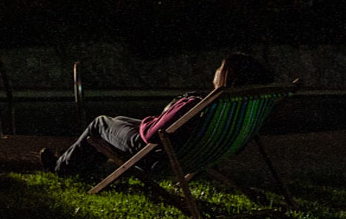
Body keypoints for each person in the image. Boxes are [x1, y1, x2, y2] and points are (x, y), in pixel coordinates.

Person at [40, 53, 274, 177]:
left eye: (219, 68)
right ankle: (78, 164)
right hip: (191, 152)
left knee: (100, 123)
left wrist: (153, 120)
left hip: (152, 153)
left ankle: (62, 168)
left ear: (226, 77)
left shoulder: (197, 104)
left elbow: (152, 134)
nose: (215, 71)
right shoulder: (235, 107)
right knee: (119, 120)